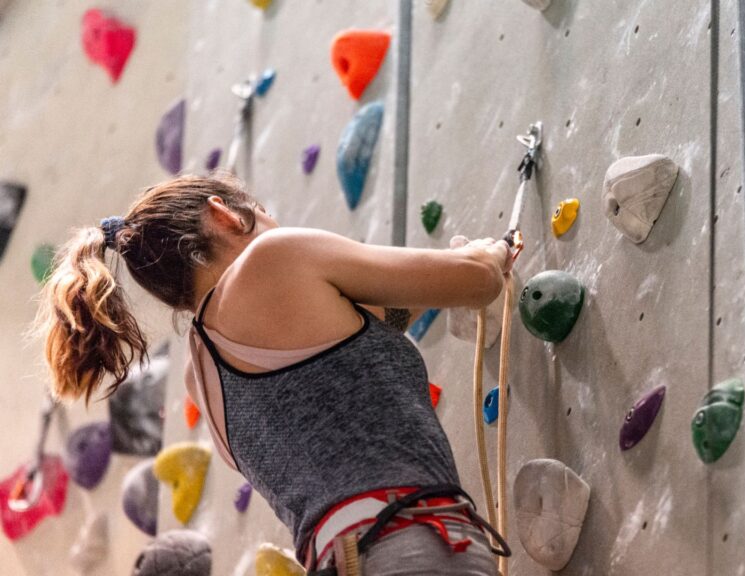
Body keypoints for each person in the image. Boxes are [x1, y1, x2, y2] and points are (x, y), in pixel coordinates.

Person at [36, 173, 513, 575]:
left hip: (340, 556)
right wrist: (493, 252)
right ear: (224, 213)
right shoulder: (272, 259)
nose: (275, 224)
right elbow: (479, 279)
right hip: (408, 543)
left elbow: (365, 333)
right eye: (263, 213)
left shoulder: (200, 376)